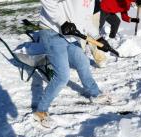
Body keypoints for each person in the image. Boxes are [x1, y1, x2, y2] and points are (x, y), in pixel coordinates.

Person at [35, 0, 112, 128]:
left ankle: (95, 93)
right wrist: (62, 22)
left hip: (70, 35)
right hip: (52, 31)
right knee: (62, 77)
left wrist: (98, 38)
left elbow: (86, 20)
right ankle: (41, 111)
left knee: (83, 62)